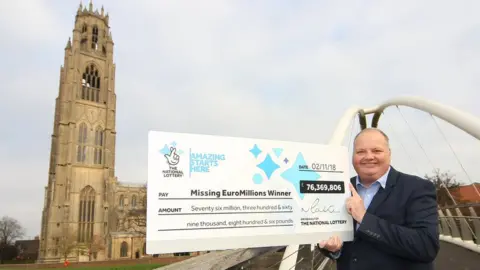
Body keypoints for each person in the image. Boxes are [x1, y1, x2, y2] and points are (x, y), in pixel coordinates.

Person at [317, 128, 439, 270]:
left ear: (389, 154)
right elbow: (332, 240)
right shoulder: (341, 189)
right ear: (352, 157)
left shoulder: (417, 188)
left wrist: (364, 218)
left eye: (376, 151)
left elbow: (426, 246)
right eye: (360, 152)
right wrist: (334, 249)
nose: (368, 157)